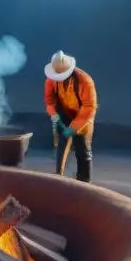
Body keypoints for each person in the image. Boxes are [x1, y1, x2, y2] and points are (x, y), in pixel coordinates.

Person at [44, 51, 98, 183]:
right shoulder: (51, 79)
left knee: (83, 150)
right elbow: (49, 101)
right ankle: (58, 176)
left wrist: (73, 128)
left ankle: (84, 182)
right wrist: (55, 116)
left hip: (82, 116)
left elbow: (89, 107)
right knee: (61, 145)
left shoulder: (85, 81)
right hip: (63, 111)